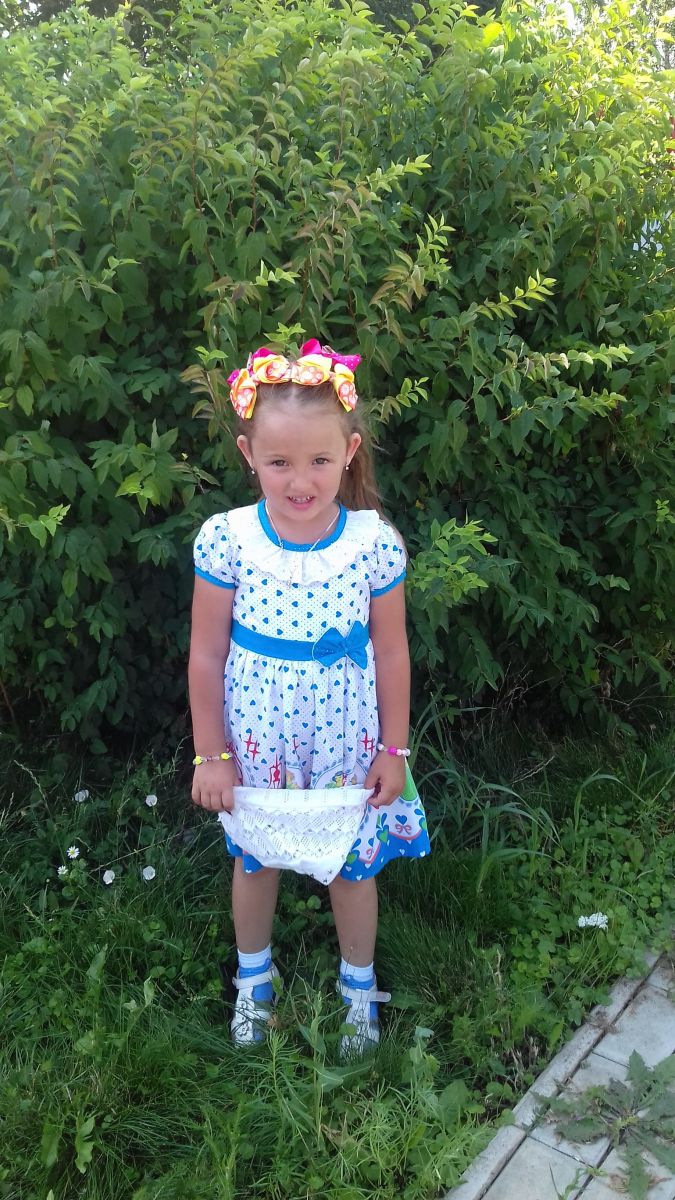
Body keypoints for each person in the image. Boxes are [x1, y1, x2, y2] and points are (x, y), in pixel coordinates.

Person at [188, 340, 430, 1053]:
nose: (301, 481)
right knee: (255, 858)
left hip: (346, 742)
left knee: (352, 865)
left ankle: (358, 988)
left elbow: (392, 651)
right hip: (256, 742)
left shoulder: (373, 544)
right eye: (280, 462)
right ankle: (253, 982)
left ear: (350, 452)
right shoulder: (227, 541)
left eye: (320, 460)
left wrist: (394, 749)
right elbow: (206, 654)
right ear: (248, 455)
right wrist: (211, 754)